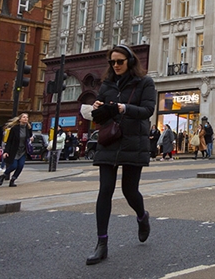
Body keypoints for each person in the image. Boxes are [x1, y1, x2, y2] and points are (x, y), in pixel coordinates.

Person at [87, 44, 156, 265]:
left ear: (131, 62)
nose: (115, 65)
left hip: (133, 141)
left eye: (120, 61)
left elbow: (147, 111)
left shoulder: (145, 83)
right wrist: (97, 107)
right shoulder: (107, 85)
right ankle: (102, 244)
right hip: (109, 140)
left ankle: (142, 216)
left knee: (129, 190)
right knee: (105, 190)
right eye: (112, 62)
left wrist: (123, 108)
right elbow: (99, 117)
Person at [0, 113, 34, 188]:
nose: (26, 119)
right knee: (14, 166)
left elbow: (30, 137)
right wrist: (6, 151)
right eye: (24, 117)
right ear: (20, 119)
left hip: (23, 150)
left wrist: (31, 138)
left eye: (27, 117)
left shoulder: (28, 128)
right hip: (14, 150)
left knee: (20, 166)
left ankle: (13, 180)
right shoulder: (15, 129)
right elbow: (9, 141)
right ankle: (3, 176)